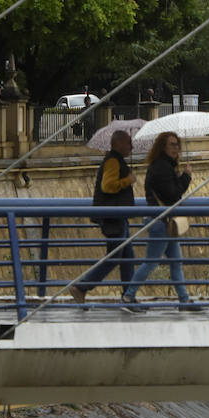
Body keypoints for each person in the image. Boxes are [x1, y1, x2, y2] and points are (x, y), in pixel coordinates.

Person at [123, 131, 196, 308]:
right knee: (151, 262)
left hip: (165, 222)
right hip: (160, 223)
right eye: (172, 144)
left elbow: (169, 190)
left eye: (177, 144)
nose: (176, 148)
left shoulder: (164, 166)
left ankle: (184, 300)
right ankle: (128, 297)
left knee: (176, 262)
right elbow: (171, 194)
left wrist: (179, 176)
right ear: (162, 147)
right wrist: (186, 176)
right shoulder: (162, 167)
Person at [71, 128, 136, 305]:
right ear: (118, 144)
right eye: (128, 142)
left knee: (127, 256)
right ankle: (82, 286)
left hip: (119, 215)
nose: (131, 146)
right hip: (113, 215)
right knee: (115, 256)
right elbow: (107, 186)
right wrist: (127, 181)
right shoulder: (113, 162)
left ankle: (128, 294)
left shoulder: (117, 160)